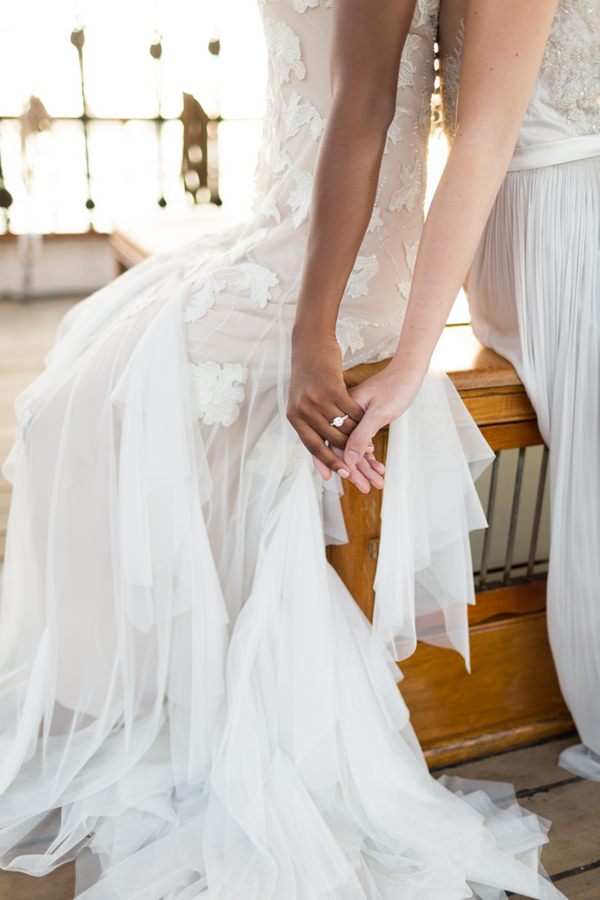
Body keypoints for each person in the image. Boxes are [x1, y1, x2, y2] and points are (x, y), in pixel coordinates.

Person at [0, 2, 563, 898]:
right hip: (284, 226)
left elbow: (364, 105)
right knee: (78, 380)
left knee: (78, 407)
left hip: (334, 268)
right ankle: (151, 709)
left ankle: (139, 717)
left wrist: (313, 338)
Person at [289, 0, 599, 782]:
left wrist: (404, 353)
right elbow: (476, 138)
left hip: (548, 221)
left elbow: (478, 137)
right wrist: (403, 357)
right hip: (556, 223)